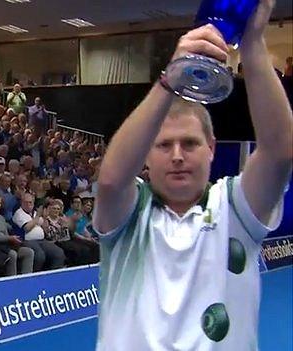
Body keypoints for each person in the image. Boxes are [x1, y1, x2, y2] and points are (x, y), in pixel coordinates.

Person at [93, 1, 292, 349]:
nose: (177, 156)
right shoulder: (128, 215)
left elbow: (279, 151)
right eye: (163, 145)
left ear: (212, 148)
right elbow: (110, 180)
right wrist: (171, 78)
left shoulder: (235, 209)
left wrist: (253, 41)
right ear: (145, 155)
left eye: (189, 143)